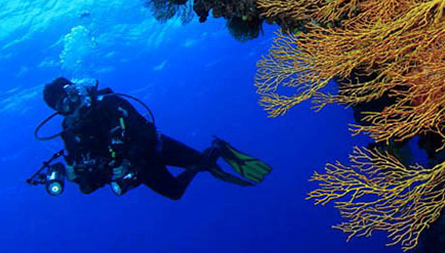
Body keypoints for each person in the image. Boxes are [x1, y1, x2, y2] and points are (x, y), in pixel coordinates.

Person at [33, 77, 272, 199]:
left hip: (155, 147)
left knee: (204, 164)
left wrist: (130, 157)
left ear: (78, 90)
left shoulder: (109, 103)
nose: (73, 105)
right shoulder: (70, 134)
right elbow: (88, 185)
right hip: (138, 170)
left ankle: (217, 150)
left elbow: (145, 128)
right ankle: (211, 154)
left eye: (72, 96)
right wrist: (79, 178)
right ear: (59, 111)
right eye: (64, 105)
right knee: (175, 193)